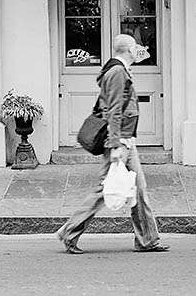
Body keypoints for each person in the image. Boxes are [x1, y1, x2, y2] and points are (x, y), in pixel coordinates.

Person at [56, 34, 168, 255]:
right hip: (120, 141)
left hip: (125, 138)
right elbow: (114, 109)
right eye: (135, 46)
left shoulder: (120, 69)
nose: (138, 50)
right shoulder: (117, 72)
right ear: (127, 49)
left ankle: (147, 239)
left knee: (139, 189)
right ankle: (69, 232)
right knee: (104, 190)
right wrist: (116, 145)